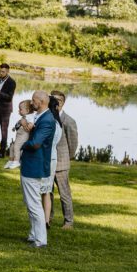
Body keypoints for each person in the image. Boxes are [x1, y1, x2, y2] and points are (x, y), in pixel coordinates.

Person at [18, 90, 56, 248]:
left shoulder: (47, 120)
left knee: (34, 204)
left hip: (35, 165)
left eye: (34, 100)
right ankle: (34, 234)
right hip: (30, 164)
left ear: (41, 102)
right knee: (30, 202)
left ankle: (40, 240)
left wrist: (20, 145)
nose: (31, 102)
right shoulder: (40, 116)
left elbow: (35, 143)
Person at [49, 90, 79, 230]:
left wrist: (68, 157)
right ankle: (48, 218)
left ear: (63, 103)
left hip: (61, 163)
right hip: (48, 162)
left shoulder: (68, 121)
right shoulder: (47, 117)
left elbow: (73, 143)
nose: (56, 103)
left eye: (59, 100)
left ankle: (68, 222)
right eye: (53, 99)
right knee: (47, 192)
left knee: (64, 194)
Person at [39, 95, 65, 232]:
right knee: (47, 191)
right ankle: (46, 220)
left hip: (45, 158)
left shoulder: (49, 123)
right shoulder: (58, 124)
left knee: (40, 190)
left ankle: (41, 220)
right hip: (53, 159)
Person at [4, 100, 36, 169]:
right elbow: (19, 124)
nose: (19, 111)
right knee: (12, 146)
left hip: (24, 136)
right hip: (18, 136)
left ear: (27, 110)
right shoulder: (24, 117)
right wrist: (15, 127)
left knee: (16, 147)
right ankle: (11, 160)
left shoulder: (31, 117)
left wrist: (27, 125)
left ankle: (16, 161)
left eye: (20, 109)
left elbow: (30, 126)